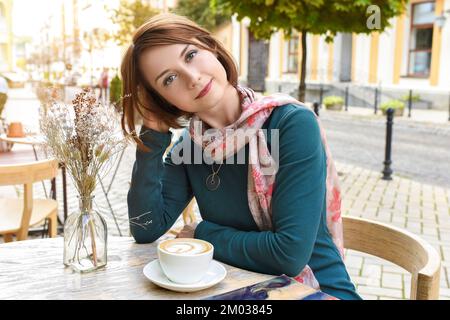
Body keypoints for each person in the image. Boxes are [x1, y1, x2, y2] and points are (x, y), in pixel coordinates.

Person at [121, 13, 361, 300]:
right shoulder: (191, 147)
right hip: (241, 291)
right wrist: (153, 130)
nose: (193, 77)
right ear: (163, 100)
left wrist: (203, 233)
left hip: (317, 289)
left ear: (212, 47)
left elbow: (288, 255)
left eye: (191, 55)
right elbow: (146, 228)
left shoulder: (290, 124)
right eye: (169, 79)